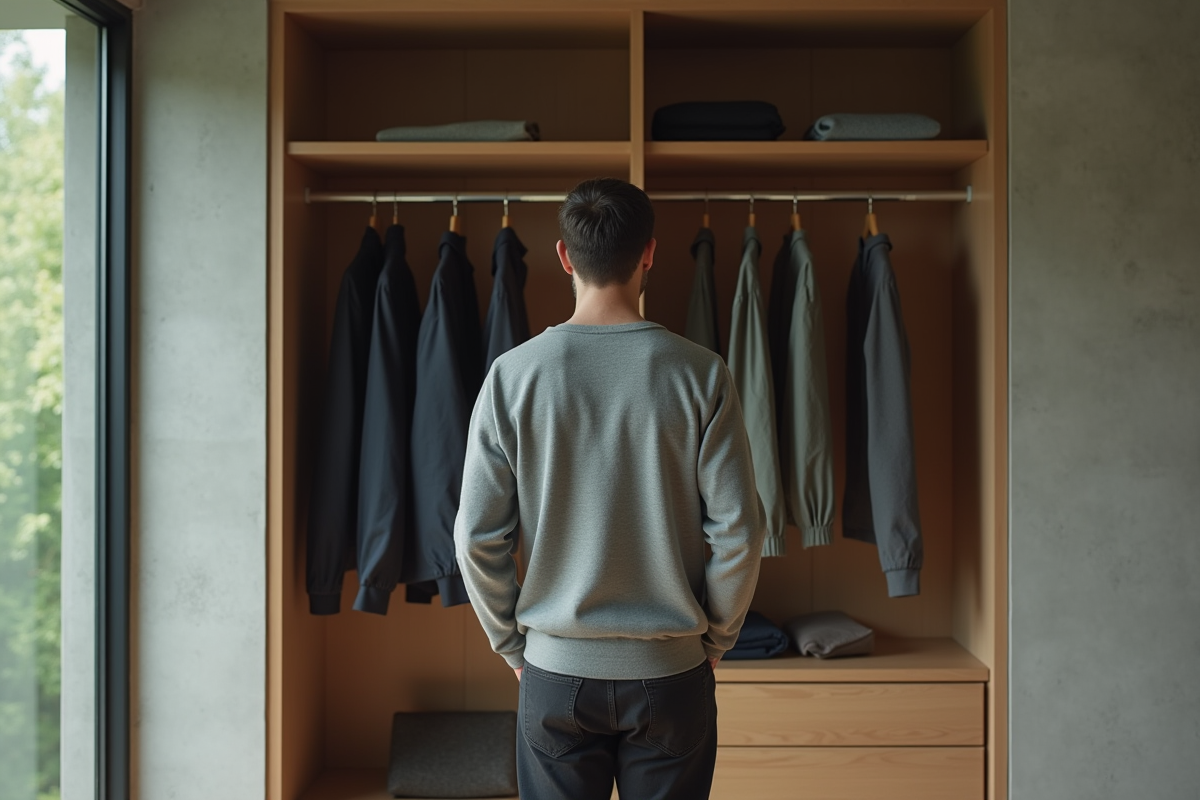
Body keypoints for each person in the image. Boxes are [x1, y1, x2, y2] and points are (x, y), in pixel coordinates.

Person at [454, 177, 766, 800]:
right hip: (672, 673)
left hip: (554, 673)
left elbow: (475, 537)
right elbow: (740, 531)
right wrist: (715, 638)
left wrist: (512, 646)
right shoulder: (701, 374)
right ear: (649, 253)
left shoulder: (512, 376)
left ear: (564, 256)